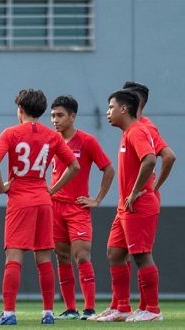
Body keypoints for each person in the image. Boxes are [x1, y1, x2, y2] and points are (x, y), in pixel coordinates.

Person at [0, 89, 80, 325]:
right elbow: (74, 166)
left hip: (20, 200)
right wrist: (52, 189)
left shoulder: (11, 133)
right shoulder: (52, 136)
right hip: (43, 199)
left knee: (14, 256)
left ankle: (9, 313)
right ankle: (48, 313)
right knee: (44, 259)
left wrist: (2, 186)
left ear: (20, 110)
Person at [92, 82, 176, 322]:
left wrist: (141, 190)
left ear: (126, 108)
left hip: (137, 204)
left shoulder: (139, 130)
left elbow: (151, 159)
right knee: (114, 253)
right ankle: (121, 307)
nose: (108, 112)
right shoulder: (128, 132)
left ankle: (152, 310)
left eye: (111, 107)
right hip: (125, 206)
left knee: (141, 255)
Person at [49, 95, 114, 320]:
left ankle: (89, 308)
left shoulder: (87, 141)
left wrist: (97, 199)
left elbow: (108, 169)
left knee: (82, 256)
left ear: (72, 116)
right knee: (62, 257)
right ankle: (70, 309)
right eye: (52, 115)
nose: (54, 120)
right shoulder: (51, 141)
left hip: (77, 208)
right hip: (54, 207)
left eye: (60, 115)